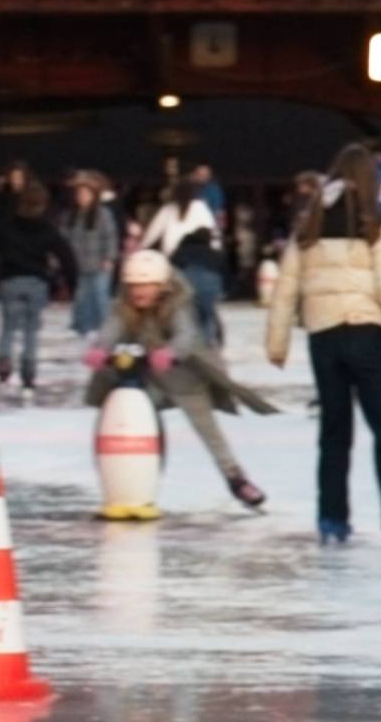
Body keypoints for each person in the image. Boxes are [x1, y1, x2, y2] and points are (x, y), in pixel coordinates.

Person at [265, 143, 381, 546]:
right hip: (367, 334)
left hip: (324, 338)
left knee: (334, 432)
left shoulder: (309, 228)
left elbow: (285, 289)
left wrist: (277, 342)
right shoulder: (380, 228)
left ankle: (332, 518)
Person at [84, 250, 271, 509]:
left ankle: (236, 479)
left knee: (207, 426)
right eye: (135, 285)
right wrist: (100, 349)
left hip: (183, 378)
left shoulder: (178, 302)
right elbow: (112, 328)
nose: (140, 291)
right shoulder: (124, 305)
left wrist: (171, 352)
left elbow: (187, 334)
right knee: (133, 419)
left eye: (147, 285)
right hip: (147, 378)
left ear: (161, 285)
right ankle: (139, 481)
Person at [0, 182, 78, 402]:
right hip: (36, 282)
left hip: (10, 280)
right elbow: (66, 256)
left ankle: (3, 364)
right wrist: (71, 285)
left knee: (8, 327)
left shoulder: (7, 225)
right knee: (31, 330)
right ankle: (28, 376)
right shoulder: (47, 228)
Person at [140, 180, 225, 346]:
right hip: (202, 261)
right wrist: (215, 255)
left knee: (178, 301)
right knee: (204, 304)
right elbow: (212, 234)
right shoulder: (200, 208)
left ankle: (181, 336)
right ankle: (207, 339)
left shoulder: (169, 210)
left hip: (174, 262)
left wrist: (141, 249)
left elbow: (153, 233)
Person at [62, 174, 120, 339]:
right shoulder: (71, 216)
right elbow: (64, 239)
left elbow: (110, 236)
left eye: (86, 194)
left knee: (100, 296)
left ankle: (105, 329)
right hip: (78, 264)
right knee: (81, 297)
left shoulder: (103, 214)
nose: (82, 197)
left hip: (99, 262)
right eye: (80, 194)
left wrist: (109, 257)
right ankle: (82, 326)